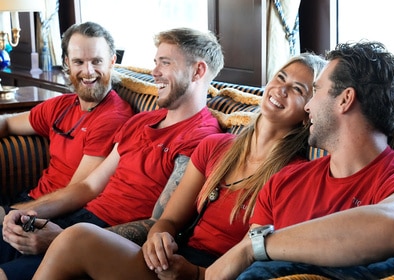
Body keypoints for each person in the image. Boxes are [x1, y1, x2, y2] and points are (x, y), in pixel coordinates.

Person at [32, 53, 327, 280]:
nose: (281, 89)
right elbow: (170, 219)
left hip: (213, 272)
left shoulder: (293, 174)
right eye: (280, 77)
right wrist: (158, 236)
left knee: (76, 238)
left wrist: (192, 272)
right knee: (75, 240)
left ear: (308, 112)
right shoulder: (216, 147)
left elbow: (255, 256)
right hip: (173, 257)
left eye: (297, 89)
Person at [0, 27, 223, 279]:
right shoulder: (141, 121)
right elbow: (89, 187)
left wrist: (61, 238)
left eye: (165, 63)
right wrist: (29, 213)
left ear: (198, 71)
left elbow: (159, 225)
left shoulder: (202, 138)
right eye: (155, 62)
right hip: (79, 220)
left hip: (110, 242)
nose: (154, 72)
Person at [206, 41, 394, 280]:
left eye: (316, 90)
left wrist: (255, 247)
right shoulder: (284, 182)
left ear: (345, 99)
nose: (308, 106)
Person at [0, 21, 133, 220]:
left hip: (55, 215)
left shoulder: (113, 118)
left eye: (97, 61)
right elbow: (8, 123)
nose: (88, 71)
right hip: (31, 198)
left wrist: (13, 214)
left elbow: (78, 193)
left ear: (112, 61)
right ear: (67, 63)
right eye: (79, 62)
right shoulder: (62, 105)